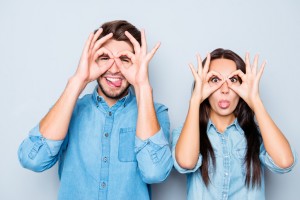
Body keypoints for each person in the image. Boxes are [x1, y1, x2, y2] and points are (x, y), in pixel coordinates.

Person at [18, 20, 173, 200]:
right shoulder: (68, 110)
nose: (114, 69)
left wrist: (142, 86)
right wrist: (78, 80)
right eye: (105, 58)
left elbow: (155, 172)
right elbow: (33, 160)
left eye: (125, 59)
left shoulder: (156, 113)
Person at [172, 48, 297, 199]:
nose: (225, 89)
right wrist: (195, 100)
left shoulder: (258, 134)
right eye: (215, 80)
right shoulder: (186, 133)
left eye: (232, 80)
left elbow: (285, 162)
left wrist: (256, 102)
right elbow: (186, 162)